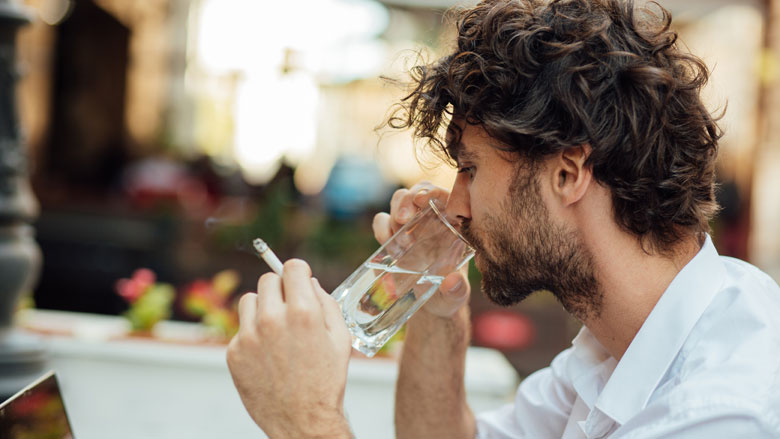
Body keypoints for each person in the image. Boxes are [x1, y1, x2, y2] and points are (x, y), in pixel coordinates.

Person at [226, 0, 780, 437]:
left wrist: (306, 419)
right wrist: (436, 308)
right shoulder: (620, 344)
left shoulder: (721, 410)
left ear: (568, 173)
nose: (456, 206)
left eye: (470, 169)